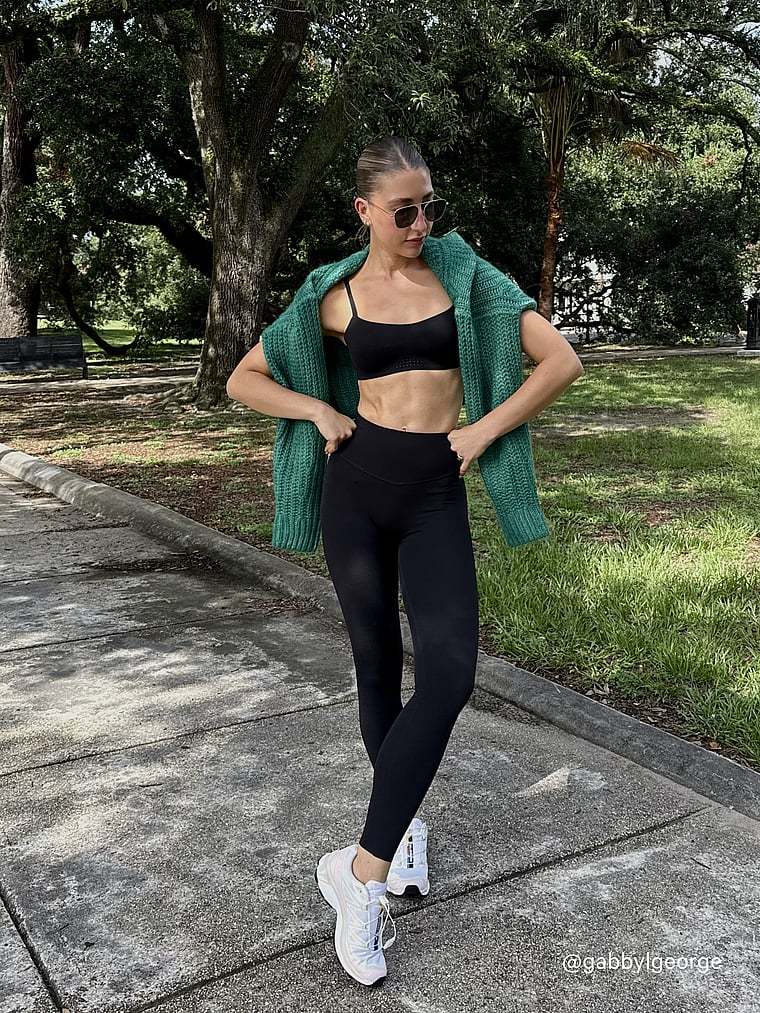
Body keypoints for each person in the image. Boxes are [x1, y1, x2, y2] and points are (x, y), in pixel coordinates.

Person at [226, 135, 584, 987]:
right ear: (365, 212)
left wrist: (483, 430)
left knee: (451, 673)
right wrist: (316, 408)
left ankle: (358, 872)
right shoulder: (334, 294)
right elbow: (244, 378)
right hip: (356, 490)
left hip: (433, 492)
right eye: (404, 211)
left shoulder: (466, 280)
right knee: (378, 667)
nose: (422, 223)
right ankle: (403, 829)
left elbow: (561, 360)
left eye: (429, 207)